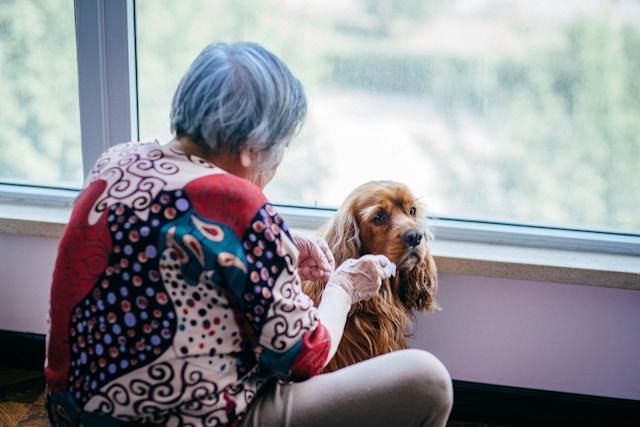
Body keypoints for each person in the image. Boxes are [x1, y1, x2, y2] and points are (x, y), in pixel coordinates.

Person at [45, 41, 453, 426]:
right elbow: (304, 358)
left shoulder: (115, 162)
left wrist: (282, 243)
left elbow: (168, 232)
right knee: (428, 380)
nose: (275, 168)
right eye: (281, 149)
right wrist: (342, 287)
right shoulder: (243, 205)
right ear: (250, 149)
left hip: (74, 411)